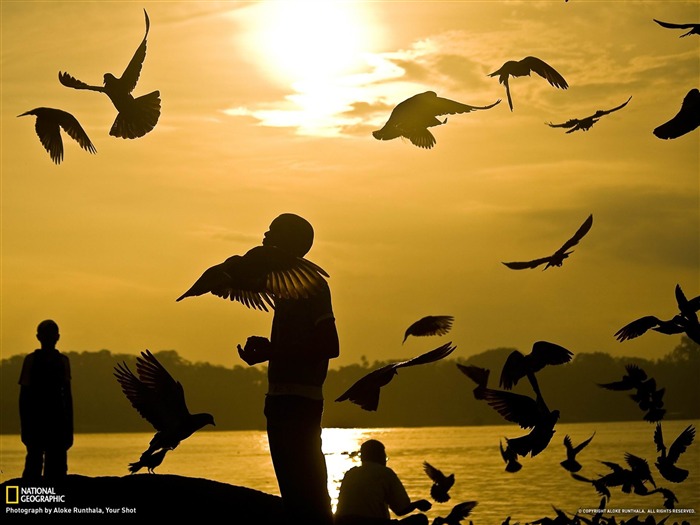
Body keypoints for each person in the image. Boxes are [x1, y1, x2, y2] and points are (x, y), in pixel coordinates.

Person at [237, 213, 340, 525]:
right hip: (280, 401)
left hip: (300, 403)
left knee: (307, 491)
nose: (265, 236)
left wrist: (273, 350)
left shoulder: (312, 286)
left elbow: (329, 346)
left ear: (291, 243)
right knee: (293, 491)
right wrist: (268, 350)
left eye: (273, 232)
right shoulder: (282, 289)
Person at [19, 320, 74, 481]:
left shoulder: (61, 361)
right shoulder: (32, 360)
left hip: (54, 423)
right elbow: (24, 397)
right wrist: (25, 428)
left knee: (54, 468)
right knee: (35, 466)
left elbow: (68, 397)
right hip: (39, 422)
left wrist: (69, 429)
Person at [335, 440, 432, 525]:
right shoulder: (385, 473)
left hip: (342, 522)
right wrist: (417, 504)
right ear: (380, 456)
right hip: (373, 523)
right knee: (420, 519)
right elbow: (401, 509)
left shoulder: (350, 473)